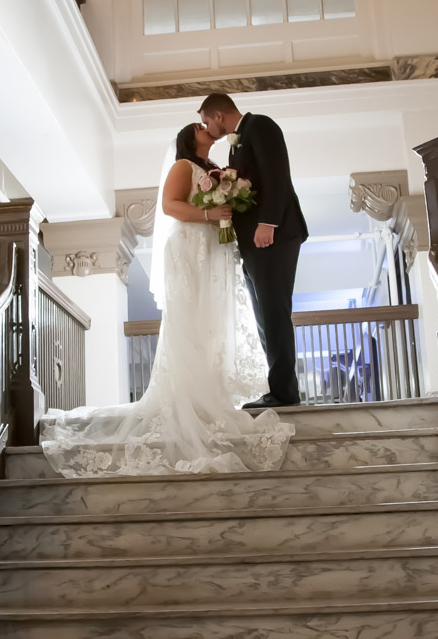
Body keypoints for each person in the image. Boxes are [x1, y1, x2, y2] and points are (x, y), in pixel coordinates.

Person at [37, 123, 294, 477]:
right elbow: (170, 205)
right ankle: (189, 397)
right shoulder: (182, 166)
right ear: (190, 138)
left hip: (211, 247)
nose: (209, 129)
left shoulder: (214, 169)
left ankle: (209, 392)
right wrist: (209, 214)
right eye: (201, 127)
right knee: (190, 319)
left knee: (211, 323)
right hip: (189, 247)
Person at [198, 93, 310, 408]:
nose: (207, 128)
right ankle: (280, 389)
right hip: (254, 242)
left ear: (218, 115)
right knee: (263, 316)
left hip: (273, 235)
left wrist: (267, 223)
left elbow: (276, 175)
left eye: (206, 121)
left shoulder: (260, 126)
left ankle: (284, 394)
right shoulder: (236, 143)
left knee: (274, 312)